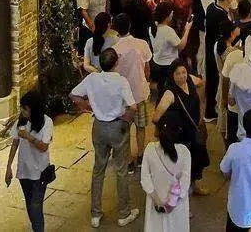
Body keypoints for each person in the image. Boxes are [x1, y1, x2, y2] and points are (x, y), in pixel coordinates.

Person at [70, 46, 140, 227]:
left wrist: (88, 106)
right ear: (116, 63)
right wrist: (126, 121)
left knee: (98, 169)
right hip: (117, 126)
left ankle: (95, 214)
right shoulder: (121, 81)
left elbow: (74, 94)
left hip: (99, 126)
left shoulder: (92, 79)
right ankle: (124, 213)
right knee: (121, 169)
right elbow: (133, 107)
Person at [152, 59, 210, 195]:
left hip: (193, 131)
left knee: (195, 161)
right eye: (177, 73)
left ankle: (193, 186)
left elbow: (201, 83)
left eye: (184, 72)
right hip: (180, 136)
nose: (182, 76)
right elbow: (155, 117)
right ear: (172, 75)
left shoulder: (190, 80)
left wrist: (201, 111)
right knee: (182, 166)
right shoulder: (170, 93)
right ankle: (181, 194)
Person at [4, 90, 53, 232]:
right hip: (24, 171)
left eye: (25, 108)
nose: (22, 111)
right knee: (30, 205)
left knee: (36, 207)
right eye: (22, 108)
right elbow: (15, 143)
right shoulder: (21, 121)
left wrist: (28, 137)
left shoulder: (47, 122)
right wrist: (8, 166)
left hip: (40, 172)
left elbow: (43, 147)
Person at [112, 13, 152, 167]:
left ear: (116, 29)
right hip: (140, 92)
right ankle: (141, 156)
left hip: (123, 97)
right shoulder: (142, 44)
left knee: (125, 130)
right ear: (129, 26)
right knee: (141, 127)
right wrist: (146, 81)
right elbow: (147, 69)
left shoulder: (114, 50)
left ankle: (128, 161)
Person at [141, 111, 192, 232]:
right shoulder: (184, 152)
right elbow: (185, 182)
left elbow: (145, 179)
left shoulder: (150, 149)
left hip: (155, 205)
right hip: (177, 207)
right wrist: (171, 202)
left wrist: (157, 200)